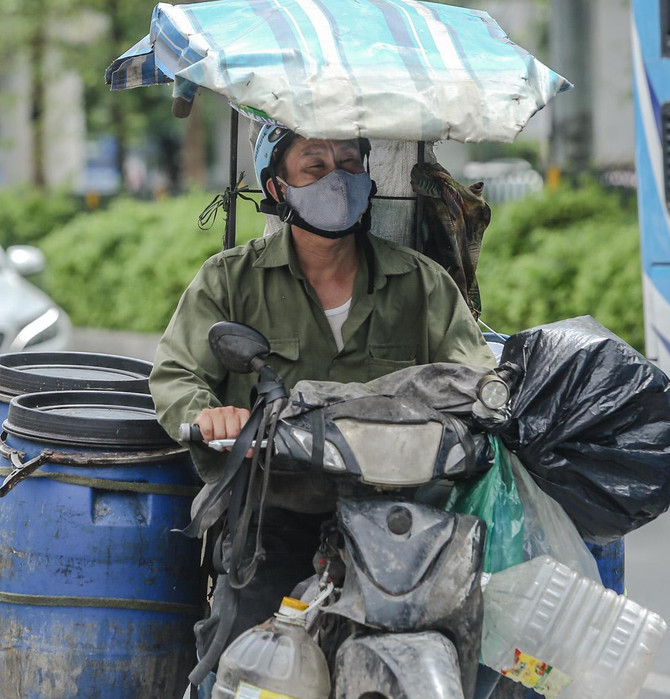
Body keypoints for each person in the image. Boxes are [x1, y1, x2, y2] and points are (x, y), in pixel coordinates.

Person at [148, 124, 496, 664]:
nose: (337, 179)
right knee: (245, 647)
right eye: (315, 166)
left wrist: (492, 408)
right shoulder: (230, 281)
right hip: (274, 510)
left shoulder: (422, 284)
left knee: (463, 634)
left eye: (350, 164)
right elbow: (176, 374)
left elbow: (473, 377)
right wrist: (210, 414)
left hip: (398, 512)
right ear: (279, 189)